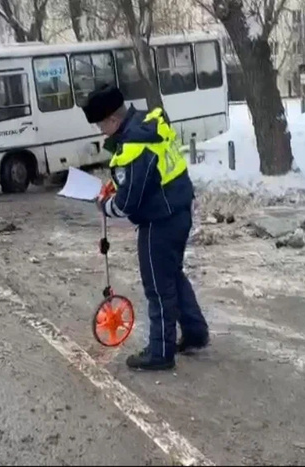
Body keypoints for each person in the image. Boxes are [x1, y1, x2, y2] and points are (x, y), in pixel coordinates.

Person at [82, 84, 209, 371]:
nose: (101, 131)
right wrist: (115, 185)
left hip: (159, 221)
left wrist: (105, 206)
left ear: (112, 120)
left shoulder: (134, 144)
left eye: (101, 125)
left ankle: (160, 352)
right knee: (172, 275)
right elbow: (146, 177)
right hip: (178, 209)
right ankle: (195, 332)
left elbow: (129, 202)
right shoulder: (146, 124)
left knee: (158, 287)